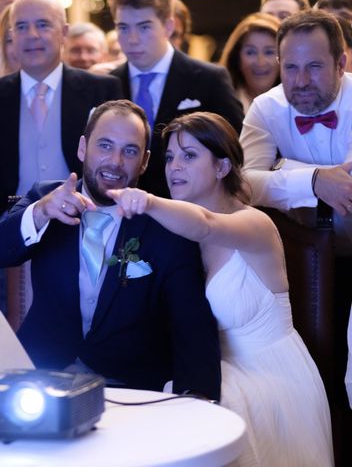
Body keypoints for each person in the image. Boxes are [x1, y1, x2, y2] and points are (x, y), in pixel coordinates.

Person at [107, 110, 333, 466]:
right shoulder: (172, 234)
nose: (174, 167)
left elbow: (207, 226)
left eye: (189, 155)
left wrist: (147, 202)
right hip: (211, 367)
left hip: (270, 377)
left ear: (222, 167)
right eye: (169, 157)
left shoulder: (253, 224)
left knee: (188, 416)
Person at [0, 100, 220, 399]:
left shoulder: (165, 224)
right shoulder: (47, 197)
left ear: (144, 162)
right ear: (83, 148)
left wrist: (197, 401)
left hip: (130, 386)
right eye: (104, 145)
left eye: (129, 151)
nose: (116, 161)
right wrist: (41, 212)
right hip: (41, 377)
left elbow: (191, 326)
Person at [0, 0, 122, 313]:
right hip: (6, 237)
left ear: (64, 32)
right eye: (21, 27)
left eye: (43, 25)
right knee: (2, 339)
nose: (31, 35)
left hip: (83, 231)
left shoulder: (102, 89)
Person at [241, 9, 351, 464]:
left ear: (342, 63)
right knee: (316, 375)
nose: (300, 80)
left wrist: (283, 171)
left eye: (314, 66)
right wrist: (313, 181)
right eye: (290, 67)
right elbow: (245, 182)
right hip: (304, 268)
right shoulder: (266, 108)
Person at [107, 0, 243, 198]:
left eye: (144, 27)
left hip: (193, 212)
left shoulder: (209, 79)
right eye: (123, 28)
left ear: (168, 26)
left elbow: (235, 150)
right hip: (124, 210)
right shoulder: (107, 84)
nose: (132, 39)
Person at [219, 12, 281, 113]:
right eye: (251, 52)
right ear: (237, 57)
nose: (260, 62)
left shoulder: (299, 105)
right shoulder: (219, 103)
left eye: (269, 52)